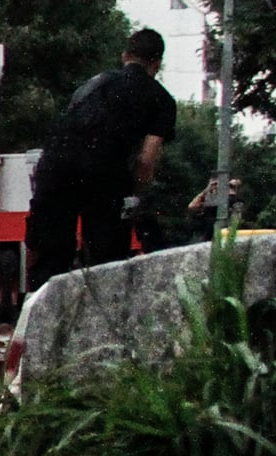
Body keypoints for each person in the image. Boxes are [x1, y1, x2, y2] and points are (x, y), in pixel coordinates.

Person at [25, 28, 177, 288]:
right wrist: (136, 195)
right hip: (104, 171)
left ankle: (39, 312)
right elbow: (146, 161)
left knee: (50, 251)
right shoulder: (161, 99)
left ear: (124, 55)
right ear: (157, 63)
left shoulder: (91, 84)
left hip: (54, 167)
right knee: (106, 257)